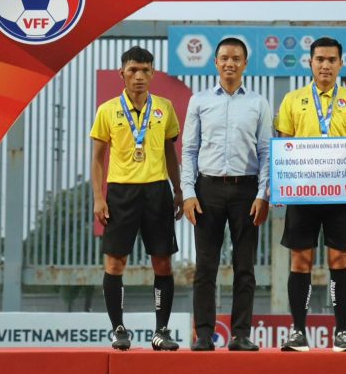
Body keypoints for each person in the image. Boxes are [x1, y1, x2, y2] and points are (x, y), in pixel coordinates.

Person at [273, 37, 346, 353]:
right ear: (310, 63)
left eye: (331, 60)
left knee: (339, 259)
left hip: (341, 194)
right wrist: (282, 185)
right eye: (319, 59)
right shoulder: (292, 100)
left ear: (341, 63)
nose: (325, 65)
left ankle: (341, 332)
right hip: (303, 193)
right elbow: (284, 145)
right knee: (301, 261)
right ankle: (298, 332)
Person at [181, 37, 271, 352]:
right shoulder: (199, 101)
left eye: (236, 58)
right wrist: (188, 192)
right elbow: (189, 150)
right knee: (205, 266)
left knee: (244, 266)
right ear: (215, 63)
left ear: (245, 64)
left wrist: (263, 194)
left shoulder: (258, 103)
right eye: (224, 58)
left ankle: (241, 334)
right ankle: (203, 334)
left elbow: (265, 152)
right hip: (207, 190)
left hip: (246, 190)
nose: (230, 63)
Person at [90, 46, 183, 351]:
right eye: (133, 70)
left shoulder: (165, 108)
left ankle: (162, 331)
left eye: (145, 70)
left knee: (163, 263)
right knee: (115, 263)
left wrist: (179, 189)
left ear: (153, 73)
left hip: (157, 191)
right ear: (122, 73)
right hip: (120, 193)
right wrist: (98, 198)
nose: (139, 76)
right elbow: (98, 158)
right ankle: (118, 329)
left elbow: (171, 152)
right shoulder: (106, 110)